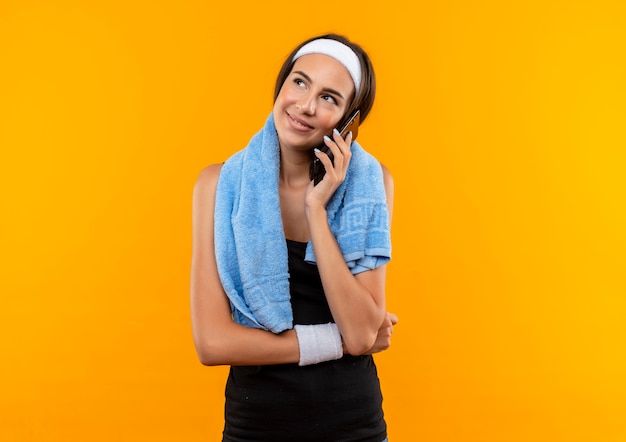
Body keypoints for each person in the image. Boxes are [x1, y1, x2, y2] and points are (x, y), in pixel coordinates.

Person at [190, 33, 397, 442]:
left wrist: (316, 210)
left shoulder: (372, 185)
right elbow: (212, 344)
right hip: (256, 426)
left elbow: (361, 334)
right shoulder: (219, 185)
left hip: (353, 426)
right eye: (299, 82)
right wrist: (329, 341)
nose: (304, 105)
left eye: (329, 98)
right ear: (282, 84)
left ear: (348, 119)